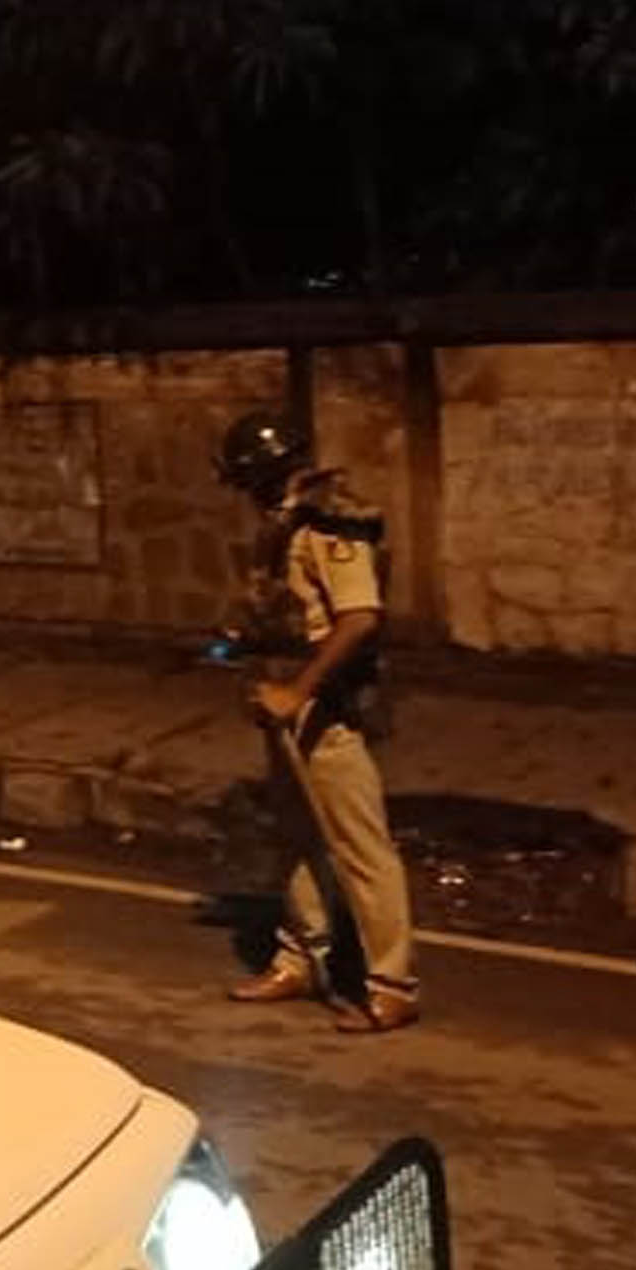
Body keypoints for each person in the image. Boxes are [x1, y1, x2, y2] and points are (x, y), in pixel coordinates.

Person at [213, 410, 421, 1036]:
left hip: (326, 707)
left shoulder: (331, 524)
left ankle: (392, 985)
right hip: (282, 701)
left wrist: (298, 691)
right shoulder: (283, 525)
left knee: (361, 848)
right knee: (294, 839)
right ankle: (299, 958)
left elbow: (359, 619)